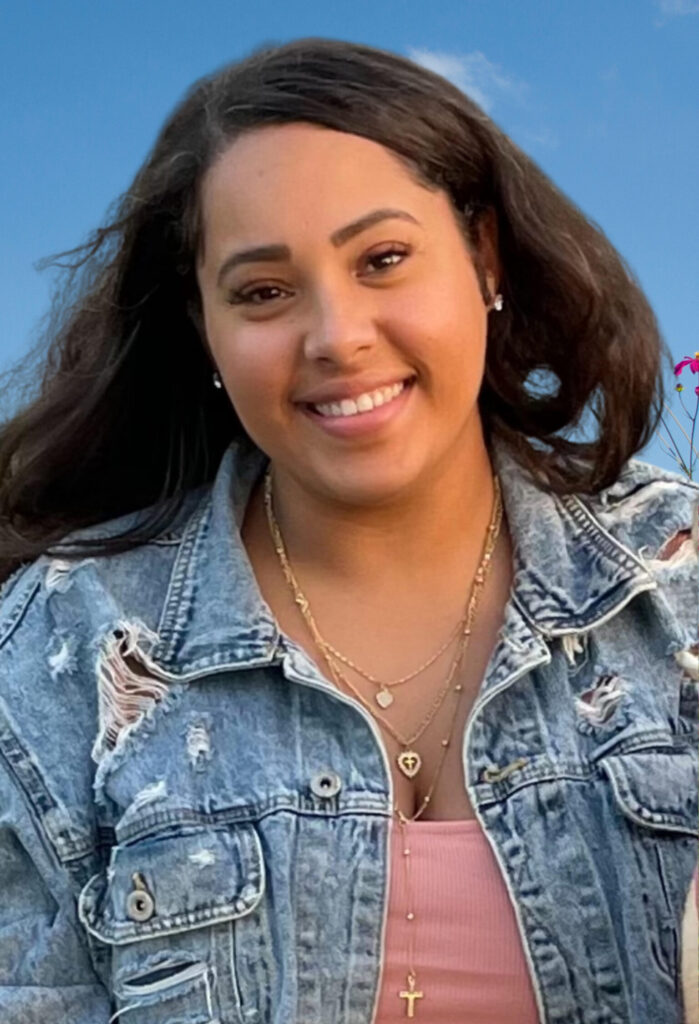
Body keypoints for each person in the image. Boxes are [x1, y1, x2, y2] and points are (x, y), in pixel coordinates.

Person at [0, 37, 696, 1024]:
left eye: (383, 260)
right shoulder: (58, 653)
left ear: (484, 256)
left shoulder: (678, 588)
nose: (337, 336)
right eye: (263, 292)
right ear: (204, 327)